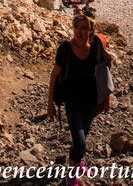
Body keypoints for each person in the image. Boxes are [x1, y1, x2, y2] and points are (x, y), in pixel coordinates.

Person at [47, 15, 111, 185]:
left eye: (83, 28)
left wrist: (106, 98)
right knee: (81, 143)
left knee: (82, 135)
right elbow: (54, 75)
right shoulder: (65, 49)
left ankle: (77, 162)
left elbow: (104, 72)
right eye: (76, 27)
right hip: (72, 100)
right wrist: (50, 104)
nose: (79, 31)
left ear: (91, 31)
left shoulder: (96, 48)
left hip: (91, 101)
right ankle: (71, 171)